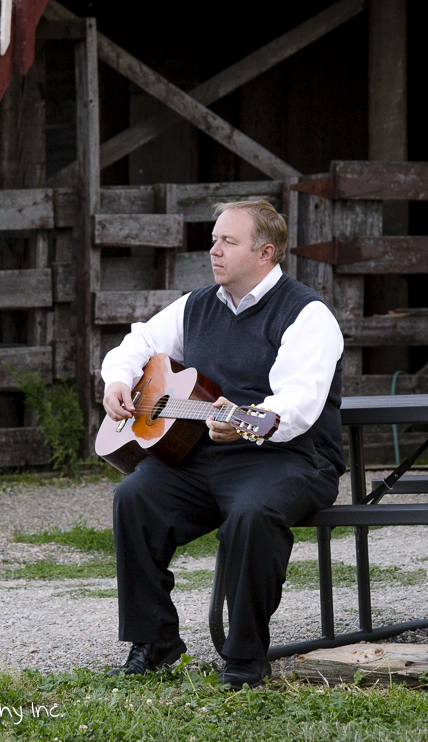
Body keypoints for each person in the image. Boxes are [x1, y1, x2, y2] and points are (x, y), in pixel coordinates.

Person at [101, 200, 344, 689]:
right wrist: (117, 379)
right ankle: (156, 642)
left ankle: (245, 658)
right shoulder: (197, 305)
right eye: (214, 239)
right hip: (204, 455)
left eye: (227, 242)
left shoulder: (307, 315)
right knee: (134, 497)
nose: (213, 250)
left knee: (253, 514)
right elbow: (139, 342)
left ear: (265, 253)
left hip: (288, 458)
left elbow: (298, 401)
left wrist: (252, 422)